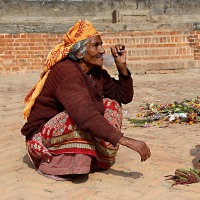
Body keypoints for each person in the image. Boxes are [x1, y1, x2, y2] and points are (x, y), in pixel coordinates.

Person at [21, 20, 151, 181]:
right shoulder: (65, 71)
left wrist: (122, 68)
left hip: (68, 127)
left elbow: (122, 97)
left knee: (111, 105)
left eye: (101, 45)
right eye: (95, 45)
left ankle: (95, 157)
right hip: (42, 138)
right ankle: (55, 165)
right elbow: (85, 114)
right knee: (78, 117)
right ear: (79, 52)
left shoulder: (95, 72)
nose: (102, 50)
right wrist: (125, 140)